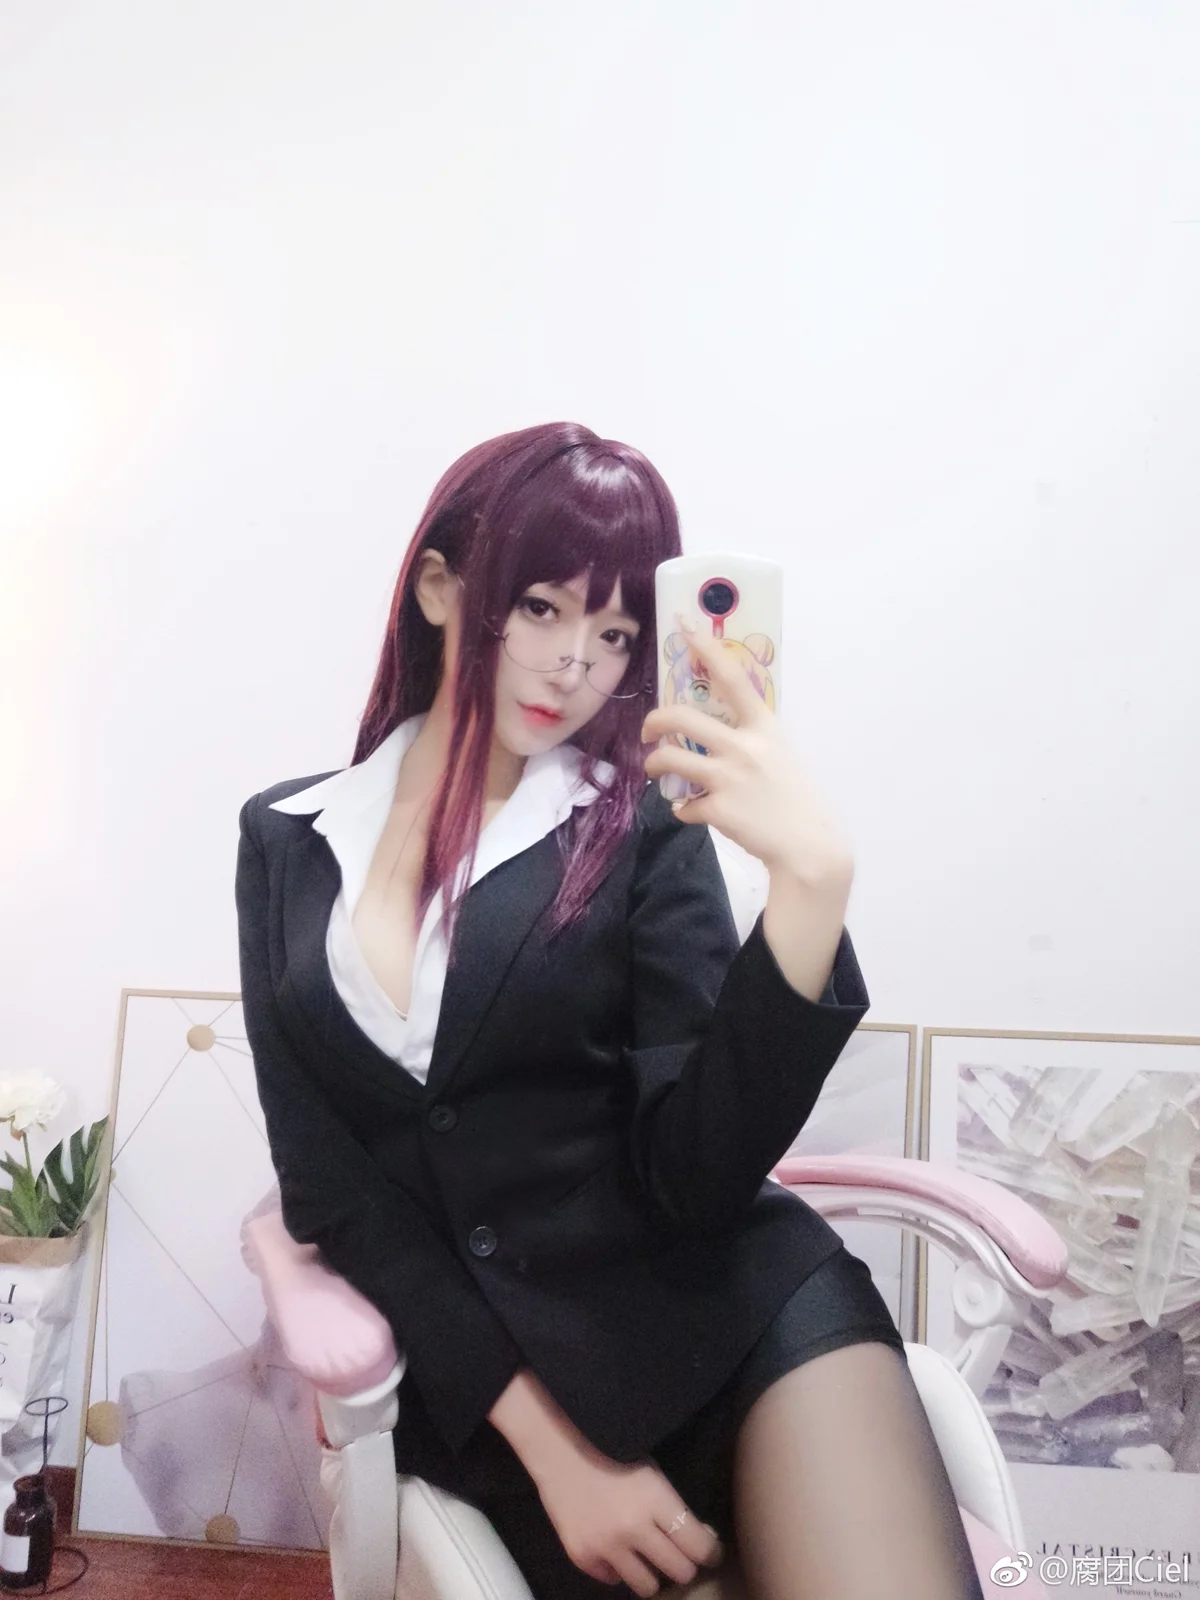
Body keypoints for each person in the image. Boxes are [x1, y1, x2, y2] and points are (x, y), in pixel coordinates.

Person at [234, 422, 985, 1600]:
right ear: (439, 588)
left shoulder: (640, 827)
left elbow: (695, 1176)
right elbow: (335, 1191)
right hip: (504, 1404)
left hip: (738, 1328)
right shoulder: (286, 841)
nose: (575, 663)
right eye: (541, 608)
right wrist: (560, 1455)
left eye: (618, 631)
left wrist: (808, 890)